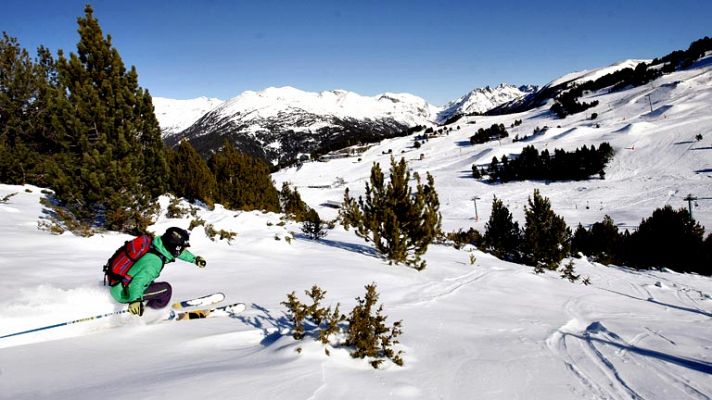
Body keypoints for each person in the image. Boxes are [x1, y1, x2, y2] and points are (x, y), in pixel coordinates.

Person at [110, 227, 207, 316]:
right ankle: (152, 314)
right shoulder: (154, 263)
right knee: (166, 290)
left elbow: (177, 252)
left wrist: (194, 259)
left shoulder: (158, 245)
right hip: (125, 293)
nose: (183, 249)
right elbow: (137, 282)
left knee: (153, 285)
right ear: (175, 248)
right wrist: (135, 301)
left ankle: (147, 306)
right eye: (182, 247)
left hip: (120, 284)